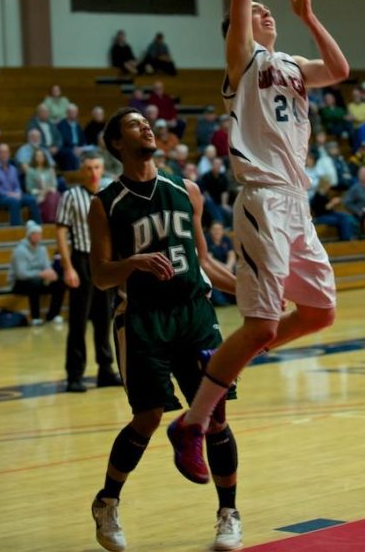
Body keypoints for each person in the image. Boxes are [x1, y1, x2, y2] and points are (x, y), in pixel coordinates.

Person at [166, 0, 349, 485]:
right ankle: (192, 422)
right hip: (263, 199)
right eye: (256, 14)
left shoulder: (293, 65)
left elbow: (342, 70)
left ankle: (227, 360)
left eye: (271, 13)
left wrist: (310, 16)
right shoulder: (243, 60)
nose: (264, 12)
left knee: (320, 312)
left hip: (297, 204)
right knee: (265, 324)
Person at [89, 107, 241, 552]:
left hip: (194, 314)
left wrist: (253, 296)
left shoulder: (186, 190)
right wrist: (132, 263)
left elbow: (206, 261)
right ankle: (107, 501)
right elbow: (100, 274)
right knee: (149, 417)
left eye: (147, 122)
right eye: (135, 124)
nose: (147, 127)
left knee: (215, 417)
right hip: (143, 319)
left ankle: (228, 513)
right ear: (117, 143)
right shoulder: (106, 203)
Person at [55, 151, 121, 393]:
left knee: (105, 319)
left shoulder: (108, 193)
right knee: (78, 321)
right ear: (82, 171)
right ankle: (75, 374)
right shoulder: (71, 196)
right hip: (81, 261)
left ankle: (106, 369)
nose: (93, 173)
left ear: (102, 169)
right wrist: (67, 266)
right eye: (88, 168)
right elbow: (61, 231)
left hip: (104, 261)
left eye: (96, 168)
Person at [8, 221, 65, 325]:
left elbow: (47, 266)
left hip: (39, 280)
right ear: (30, 235)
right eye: (36, 234)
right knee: (33, 284)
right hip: (19, 283)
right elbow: (21, 274)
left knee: (59, 282)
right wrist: (41, 274)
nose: (38, 236)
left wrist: (51, 274)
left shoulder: (42, 249)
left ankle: (52, 315)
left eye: (40, 234)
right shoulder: (19, 250)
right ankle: (35, 317)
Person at [0, 143, 41, 226]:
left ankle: (37, 225)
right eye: (1, 152)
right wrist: (9, 194)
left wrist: (17, 193)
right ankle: (16, 227)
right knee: (14, 201)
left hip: (13, 195)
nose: (4, 155)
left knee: (31, 199)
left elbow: (17, 186)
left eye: (6, 152)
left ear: (9, 154)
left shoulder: (13, 169)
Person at [25, 147, 61, 224]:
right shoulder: (31, 171)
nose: (39, 158)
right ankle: (49, 220)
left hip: (49, 192)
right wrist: (41, 192)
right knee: (49, 197)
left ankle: (54, 218)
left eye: (41, 156)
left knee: (55, 195)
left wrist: (47, 190)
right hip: (38, 194)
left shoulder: (49, 169)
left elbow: (54, 184)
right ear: (34, 158)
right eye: (37, 156)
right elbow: (29, 188)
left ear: (44, 157)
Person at [204, 221, 237, 306]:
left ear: (222, 230)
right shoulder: (206, 240)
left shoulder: (226, 239)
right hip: (213, 268)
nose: (217, 231)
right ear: (210, 230)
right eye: (214, 229)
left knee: (238, 270)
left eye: (219, 229)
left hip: (227, 267)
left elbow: (231, 255)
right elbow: (209, 259)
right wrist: (224, 267)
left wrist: (229, 266)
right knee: (222, 303)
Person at [56, 104, 86, 171]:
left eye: (75, 112)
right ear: (67, 113)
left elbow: (82, 139)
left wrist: (81, 148)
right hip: (65, 148)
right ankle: (74, 175)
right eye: (72, 112)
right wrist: (73, 148)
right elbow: (62, 140)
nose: (74, 114)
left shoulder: (78, 125)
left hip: (78, 148)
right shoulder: (61, 125)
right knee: (70, 154)